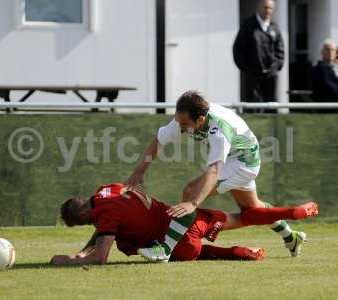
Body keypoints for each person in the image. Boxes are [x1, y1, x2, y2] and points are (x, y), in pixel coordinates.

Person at [126, 91, 308, 262]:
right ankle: (291, 237)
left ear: (201, 119)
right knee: (254, 209)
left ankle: (165, 250)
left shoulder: (219, 131)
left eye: (184, 124)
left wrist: (193, 203)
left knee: (190, 191)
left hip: (243, 164)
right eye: (178, 122)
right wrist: (139, 171)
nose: (180, 127)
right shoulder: (185, 116)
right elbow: (158, 141)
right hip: (237, 158)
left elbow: (214, 170)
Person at [50, 183, 318, 266]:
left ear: (85, 216)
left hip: (178, 243)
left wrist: (68, 260)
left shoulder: (105, 218)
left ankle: (231, 252)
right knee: (247, 214)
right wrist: (81, 252)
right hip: (185, 216)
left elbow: (101, 256)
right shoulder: (108, 190)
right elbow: (107, 223)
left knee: (191, 252)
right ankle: (291, 215)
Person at [233, 0, 284, 113]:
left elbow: (280, 51)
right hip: (252, 76)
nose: (267, 11)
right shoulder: (248, 25)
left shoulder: (274, 27)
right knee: (252, 108)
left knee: (271, 108)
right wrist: (247, 69)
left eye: (270, 8)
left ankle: (271, 130)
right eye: (265, 7)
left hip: (270, 76)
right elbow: (238, 49)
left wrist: (275, 68)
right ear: (259, 7)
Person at [312, 39, 338, 105]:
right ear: (322, 52)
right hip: (330, 104)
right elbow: (332, 89)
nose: (330, 52)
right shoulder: (320, 69)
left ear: (336, 52)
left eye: (333, 50)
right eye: (327, 49)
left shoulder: (329, 68)